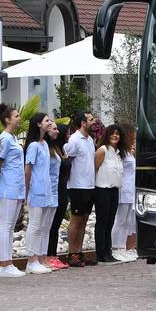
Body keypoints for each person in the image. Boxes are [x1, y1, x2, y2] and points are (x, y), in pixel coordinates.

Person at [23, 113, 59, 274]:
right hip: (36, 190)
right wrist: (26, 191)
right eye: (46, 120)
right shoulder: (33, 146)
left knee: (42, 227)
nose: (49, 123)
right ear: (38, 124)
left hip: (46, 190)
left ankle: (37, 259)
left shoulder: (44, 144)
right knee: (34, 225)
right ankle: (31, 261)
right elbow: (28, 170)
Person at [0, 104, 26, 277]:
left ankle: (9, 262)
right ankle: (4, 264)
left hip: (17, 186)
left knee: (11, 226)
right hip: (8, 186)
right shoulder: (5, 139)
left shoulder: (13, 138)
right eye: (16, 116)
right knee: (6, 225)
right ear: (7, 119)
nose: (19, 119)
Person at [63, 111, 97, 267]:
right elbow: (67, 161)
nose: (94, 122)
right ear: (83, 123)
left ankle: (79, 252)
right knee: (76, 220)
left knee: (84, 219)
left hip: (89, 185)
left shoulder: (90, 139)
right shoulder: (74, 140)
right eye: (91, 120)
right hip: (77, 186)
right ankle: (71, 254)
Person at [94, 124, 127, 265]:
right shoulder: (103, 150)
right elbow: (94, 169)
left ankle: (108, 252)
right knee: (102, 221)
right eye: (112, 133)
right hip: (102, 189)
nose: (115, 136)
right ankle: (101, 253)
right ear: (107, 135)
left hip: (114, 190)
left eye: (117, 134)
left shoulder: (119, 153)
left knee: (110, 221)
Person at [46, 123, 72, 269]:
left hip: (63, 190)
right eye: (67, 133)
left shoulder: (62, 149)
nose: (69, 136)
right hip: (55, 189)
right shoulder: (52, 150)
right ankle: (48, 255)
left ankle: (53, 254)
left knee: (56, 225)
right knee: (52, 224)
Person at [111, 124, 138, 263]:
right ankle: (115, 248)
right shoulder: (121, 152)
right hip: (122, 188)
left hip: (130, 189)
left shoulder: (128, 151)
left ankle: (122, 248)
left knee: (127, 221)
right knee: (120, 220)